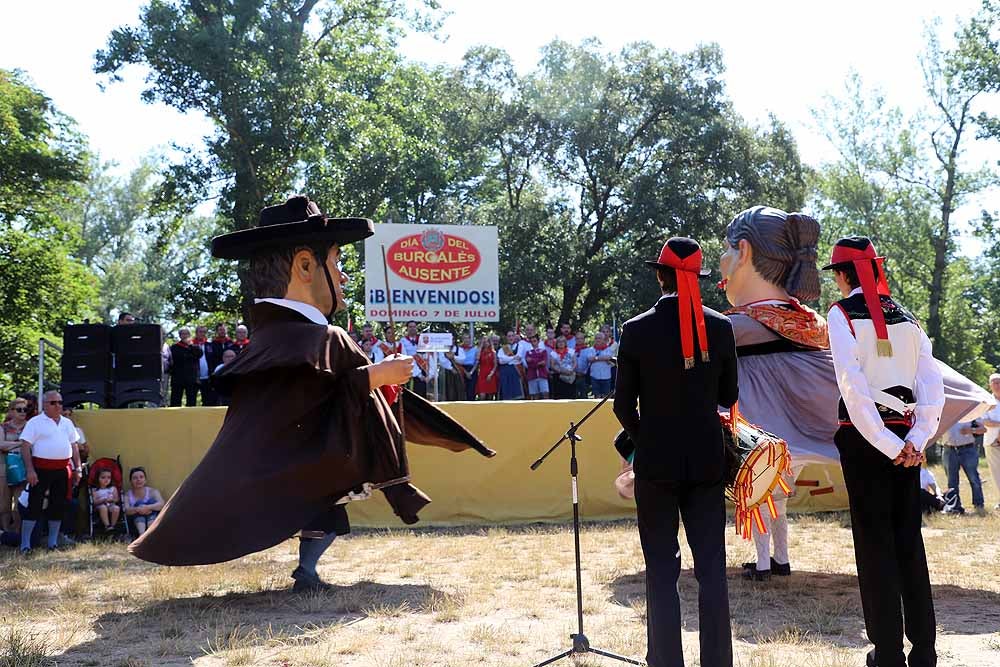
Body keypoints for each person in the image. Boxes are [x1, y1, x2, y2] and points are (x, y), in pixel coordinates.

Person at [128, 195, 492, 591]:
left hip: (299, 459)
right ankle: (307, 570)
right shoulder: (316, 337)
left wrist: (379, 379)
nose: (344, 277)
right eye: (336, 263)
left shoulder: (278, 336)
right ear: (305, 265)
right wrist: (378, 374)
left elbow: (323, 391)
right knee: (322, 500)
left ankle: (307, 571)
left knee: (325, 507)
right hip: (298, 457)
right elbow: (318, 395)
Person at [614, 237, 739, 667]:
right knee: (712, 570)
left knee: (661, 571)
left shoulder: (635, 329)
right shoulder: (721, 327)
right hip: (706, 460)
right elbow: (729, 394)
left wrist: (645, 440)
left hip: (656, 463)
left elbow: (621, 406)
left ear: (659, 275)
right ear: (698, 279)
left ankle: (665, 661)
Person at [823, 235, 943, 667]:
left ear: (842, 275)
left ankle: (888, 652)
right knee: (909, 541)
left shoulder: (840, 315)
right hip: (906, 441)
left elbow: (852, 388)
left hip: (866, 440)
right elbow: (932, 385)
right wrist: (916, 440)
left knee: (874, 545)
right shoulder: (909, 319)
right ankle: (924, 650)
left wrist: (891, 445)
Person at [16, 391, 83, 554]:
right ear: (45, 404)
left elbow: (74, 446)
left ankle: (52, 543)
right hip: (41, 469)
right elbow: (25, 446)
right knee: (34, 504)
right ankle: (25, 544)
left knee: (58, 505)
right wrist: (30, 470)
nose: (58, 406)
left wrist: (78, 468)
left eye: (60, 402)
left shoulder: (67, 423)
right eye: (53, 403)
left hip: (62, 469)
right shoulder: (35, 422)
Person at [940, 419, 986, 515]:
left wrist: (971, 430)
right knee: (952, 481)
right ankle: (955, 507)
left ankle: (979, 505)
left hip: (968, 449)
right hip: (949, 450)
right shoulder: (944, 413)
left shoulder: (969, 410)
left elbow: (983, 429)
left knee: (974, 478)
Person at [2, 397, 30, 531]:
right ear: (11, 411)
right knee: (4, 504)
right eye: (19, 409)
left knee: (20, 503)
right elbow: (2, 445)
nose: (23, 412)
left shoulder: (31, 426)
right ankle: (5, 532)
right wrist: (21, 443)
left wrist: (11, 445)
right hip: (4, 468)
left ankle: (17, 532)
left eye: (25, 409)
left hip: (24, 468)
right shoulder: (4, 427)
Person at [124, 467, 164, 537]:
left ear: (145, 480)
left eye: (141, 477)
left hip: (152, 519)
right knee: (139, 503)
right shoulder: (127, 495)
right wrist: (138, 509)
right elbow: (126, 510)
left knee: (151, 501)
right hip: (135, 523)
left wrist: (147, 507)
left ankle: (150, 533)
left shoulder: (153, 491)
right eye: (135, 478)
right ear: (131, 481)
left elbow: (161, 504)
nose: (138, 480)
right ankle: (142, 535)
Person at [168, 328, 203, 407]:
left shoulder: (196, 347)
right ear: (180, 336)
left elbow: (199, 355)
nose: (185, 336)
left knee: (191, 402)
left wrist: (190, 345)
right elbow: (172, 361)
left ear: (189, 335)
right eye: (183, 334)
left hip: (192, 379)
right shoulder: (174, 348)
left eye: (186, 334)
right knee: (175, 401)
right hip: (178, 378)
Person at [981, 373, 1000, 511]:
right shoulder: (987, 401)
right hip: (992, 442)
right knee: (997, 473)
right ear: (990, 385)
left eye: (999, 382)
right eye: (994, 382)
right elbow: (984, 421)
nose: (997, 385)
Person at [497, 331, 525, 400]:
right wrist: (513, 358)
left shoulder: (520, 346)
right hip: (505, 374)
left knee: (517, 395)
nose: (511, 338)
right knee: (506, 395)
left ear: (515, 336)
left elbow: (519, 358)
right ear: (506, 337)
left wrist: (506, 359)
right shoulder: (502, 348)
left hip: (516, 372)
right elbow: (501, 361)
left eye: (512, 336)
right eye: (509, 336)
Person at [587, 331, 615, 398]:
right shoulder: (591, 349)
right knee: (596, 396)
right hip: (594, 376)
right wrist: (603, 358)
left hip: (606, 376)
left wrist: (596, 358)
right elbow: (590, 359)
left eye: (599, 338)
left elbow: (609, 358)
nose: (598, 340)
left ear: (603, 339)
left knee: (606, 397)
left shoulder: (609, 349)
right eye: (596, 338)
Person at [524, 333, 550, 399]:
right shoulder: (528, 352)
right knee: (535, 396)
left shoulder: (543, 351)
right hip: (532, 376)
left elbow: (544, 362)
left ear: (538, 341)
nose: (533, 343)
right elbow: (529, 364)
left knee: (545, 394)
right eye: (531, 341)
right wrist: (538, 360)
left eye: (534, 341)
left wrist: (532, 360)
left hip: (542, 375)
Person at [474, 336, 498, 400]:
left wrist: (491, 374)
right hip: (482, 374)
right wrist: (481, 346)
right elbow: (477, 358)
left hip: (490, 374)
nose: (486, 343)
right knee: (482, 395)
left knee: (490, 395)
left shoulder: (493, 352)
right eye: (484, 342)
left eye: (487, 341)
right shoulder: (480, 351)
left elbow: (495, 365)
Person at [574, 331, 590, 398]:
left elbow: (589, 363)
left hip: (584, 377)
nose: (579, 340)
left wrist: (584, 372)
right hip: (574, 376)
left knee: (584, 396)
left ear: (584, 339)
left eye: (581, 338)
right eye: (577, 338)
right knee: (574, 395)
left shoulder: (588, 350)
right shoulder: (572, 350)